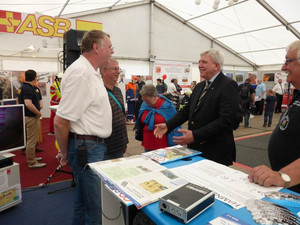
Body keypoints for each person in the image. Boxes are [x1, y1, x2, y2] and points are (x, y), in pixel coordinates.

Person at [54, 30, 114, 225]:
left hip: (89, 147)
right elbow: (61, 121)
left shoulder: (89, 71)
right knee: (94, 207)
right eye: (110, 47)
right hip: (86, 148)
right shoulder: (81, 73)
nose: (112, 52)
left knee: (84, 201)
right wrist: (64, 152)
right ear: (96, 48)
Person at [154, 49, 240, 166]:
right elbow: (187, 110)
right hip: (195, 149)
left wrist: (196, 135)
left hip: (215, 152)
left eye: (204, 62)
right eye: (199, 62)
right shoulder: (200, 86)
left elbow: (225, 120)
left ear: (216, 66)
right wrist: (168, 125)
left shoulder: (228, 85)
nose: (199, 65)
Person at [248, 40, 300, 193]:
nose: (283, 68)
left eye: (287, 61)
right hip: (289, 189)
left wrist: (284, 176)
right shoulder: (297, 93)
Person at [135, 84, 181, 151]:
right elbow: (140, 120)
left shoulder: (167, 106)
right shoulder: (145, 104)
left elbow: (175, 125)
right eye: (144, 100)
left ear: (154, 96)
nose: (146, 102)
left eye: (147, 100)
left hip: (163, 145)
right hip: (148, 143)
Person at [18, 69, 46, 168]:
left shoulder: (25, 87)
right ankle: (32, 162)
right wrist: (38, 113)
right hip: (30, 117)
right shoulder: (28, 88)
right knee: (32, 140)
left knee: (31, 139)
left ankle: (31, 157)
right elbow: (28, 104)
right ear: (35, 77)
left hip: (27, 116)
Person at [100, 59, 128, 159]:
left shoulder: (118, 91)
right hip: (104, 147)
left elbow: (121, 116)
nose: (118, 72)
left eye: (118, 69)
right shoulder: (98, 91)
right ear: (103, 71)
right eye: (115, 69)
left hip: (119, 144)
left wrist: (124, 142)